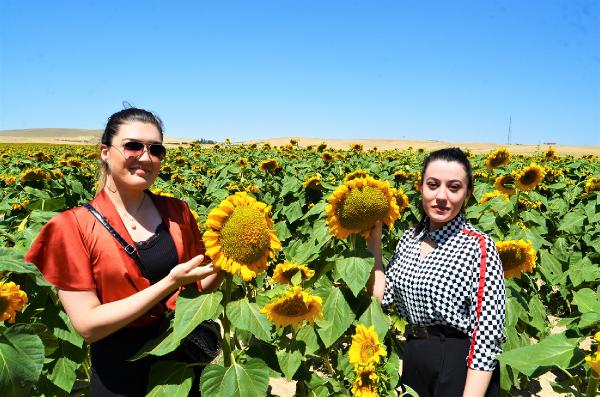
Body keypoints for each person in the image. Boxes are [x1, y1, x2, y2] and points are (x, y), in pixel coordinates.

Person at [25, 108, 222, 396]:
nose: (145, 157)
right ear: (105, 152)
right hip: (120, 372)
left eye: (156, 149)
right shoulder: (71, 227)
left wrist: (232, 259)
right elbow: (88, 325)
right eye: (133, 146)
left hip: (182, 365)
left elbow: (198, 287)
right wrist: (169, 283)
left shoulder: (177, 212)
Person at [368, 147, 505, 397]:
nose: (441, 196)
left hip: (458, 365)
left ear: (467, 193)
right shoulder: (409, 239)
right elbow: (383, 297)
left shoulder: (478, 246)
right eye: (433, 185)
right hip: (414, 356)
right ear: (420, 187)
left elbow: (488, 333)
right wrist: (374, 244)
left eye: (454, 187)